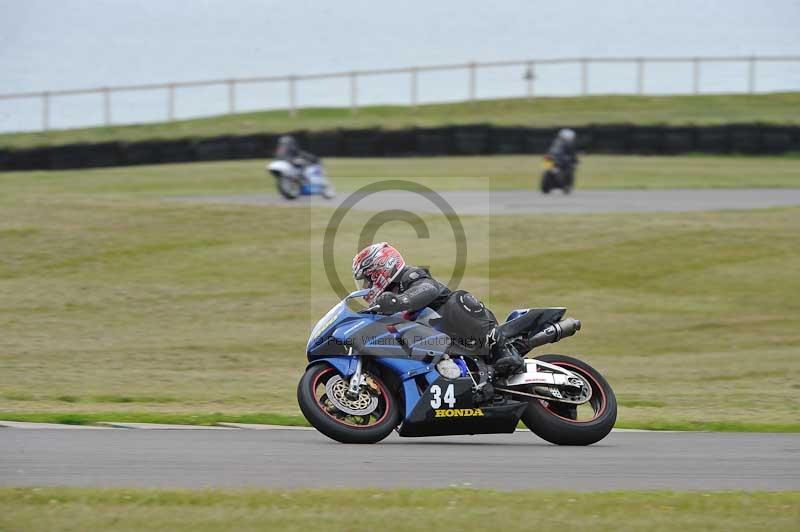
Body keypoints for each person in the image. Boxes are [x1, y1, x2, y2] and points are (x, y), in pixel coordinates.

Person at [352, 242, 525, 375]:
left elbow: (429, 289)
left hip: (463, 328)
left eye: (368, 279)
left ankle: (503, 351)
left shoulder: (411, 276)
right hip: (442, 348)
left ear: (381, 268)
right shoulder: (387, 303)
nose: (367, 285)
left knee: (458, 300)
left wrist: (400, 300)